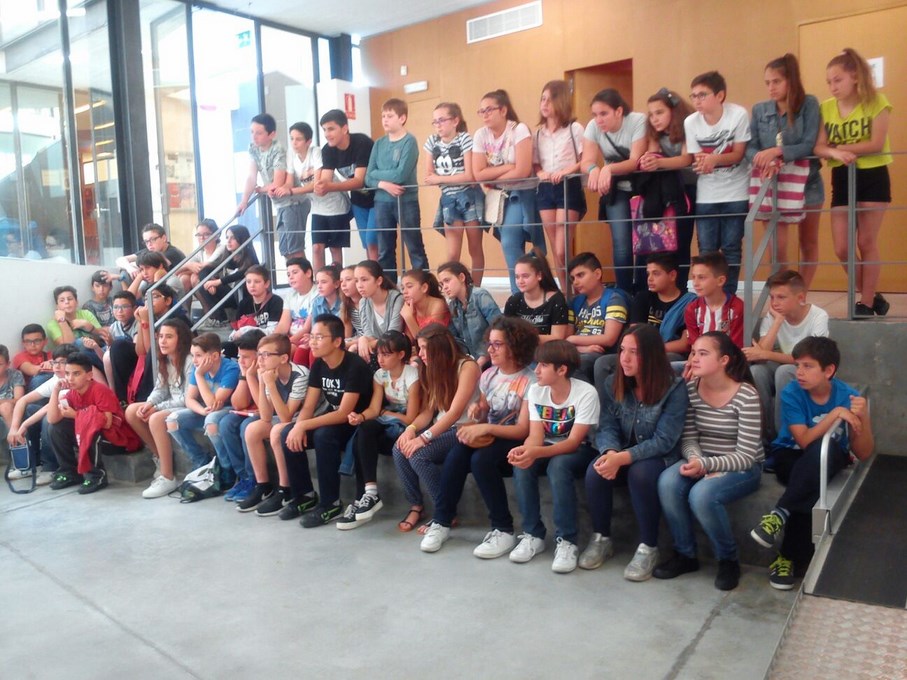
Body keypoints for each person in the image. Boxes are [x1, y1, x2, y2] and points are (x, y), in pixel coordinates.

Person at [749, 337, 873, 589]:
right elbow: (804, 440)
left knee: (823, 458)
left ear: (829, 370)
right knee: (811, 487)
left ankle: (779, 518)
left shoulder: (847, 396)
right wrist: (835, 414)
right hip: (790, 454)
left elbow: (864, 453)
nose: (799, 372)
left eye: (807, 366)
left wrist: (864, 418)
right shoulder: (792, 392)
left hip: (830, 457)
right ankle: (788, 557)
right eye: (797, 365)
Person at [419, 317, 538, 555]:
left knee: (481, 460)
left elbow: (522, 430)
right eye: (489, 344)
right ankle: (441, 521)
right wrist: (479, 410)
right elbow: (484, 411)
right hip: (491, 435)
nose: (490, 350)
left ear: (515, 346)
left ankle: (503, 529)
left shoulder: (530, 380)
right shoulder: (489, 375)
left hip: (513, 438)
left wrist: (484, 428)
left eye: (497, 344)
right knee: (456, 455)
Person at [655, 331, 763, 591]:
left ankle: (728, 559)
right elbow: (689, 437)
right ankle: (685, 554)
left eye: (703, 353)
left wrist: (706, 466)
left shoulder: (746, 395)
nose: (694, 358)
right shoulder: (690, 390)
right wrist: (696, 459)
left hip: (742, 466)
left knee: (702, 495)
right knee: (667, 482)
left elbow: (747, 455)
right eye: (693, 352)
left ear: (724, 360)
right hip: (702, 458)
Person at [582, 325, 688, 580]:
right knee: (596, 471)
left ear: (651, 355)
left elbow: (664, 440)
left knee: (640, 473)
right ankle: (601, 538)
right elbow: (606, 426)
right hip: (622, 451)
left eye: (634, 352)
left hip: (659, 456)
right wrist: (610, 452)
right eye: (622, 350)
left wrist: (621, 458)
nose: (625, 358)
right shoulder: (613, 382)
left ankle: (648, 547)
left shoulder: (674, 388)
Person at [508, 340, 600, 574]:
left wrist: (536, 452)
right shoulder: (536, 390)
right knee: (523, 465)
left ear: (562, 370)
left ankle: (567, 540)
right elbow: (535, 436)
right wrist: (525, 451)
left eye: (543, 365)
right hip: (547, 445)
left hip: (583, 449)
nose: (536, 370)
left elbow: (573, 442)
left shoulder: (585, 393)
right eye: (537, 364)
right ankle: (532, 534)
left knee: (558, 466)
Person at [814, 47, 893, 317]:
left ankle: (866, 302)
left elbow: (876, 143)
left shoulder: (876, 101)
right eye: (829, 82)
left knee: (866, 241)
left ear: (855, 77)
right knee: (841, 247)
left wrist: (840, 149)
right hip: (842, 175)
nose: (833, 87)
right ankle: (873, 294)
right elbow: (819, 146)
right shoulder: (826, 107)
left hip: (872, 174)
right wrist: (835, 153)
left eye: (838, 80)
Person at [277, 314, 374, 528]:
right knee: (287, 433)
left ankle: (331, 503)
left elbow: (344, 413)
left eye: (319, 337)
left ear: (337, 341)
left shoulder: (354, 366)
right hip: (334, 419)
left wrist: (303, 425)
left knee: (323, 435)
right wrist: (298, 427)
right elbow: (309, 406)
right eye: (312, 336)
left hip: (357, 422)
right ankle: (304, 495)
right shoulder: (320, 365)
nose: (313, 342)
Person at [392, 324, 480, 533]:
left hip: (464, 428)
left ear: (439, 346)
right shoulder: (432, 367)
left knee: (418, 455)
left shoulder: (467, 366)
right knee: (399, 448)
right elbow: (428, 411)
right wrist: (411, 429)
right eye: (419, 348)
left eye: (424, 348)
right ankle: (416, 505)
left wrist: (423, 438)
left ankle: (445, 513)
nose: (420, 354)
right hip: (442, 427)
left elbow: (454, 413)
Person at [746, 54, 823, 288]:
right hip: (773, 183)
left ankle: (801, 293)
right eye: (767, 82)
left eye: (776, 81)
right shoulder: (760, 109)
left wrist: (777, 152)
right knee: (777, 247)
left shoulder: (809, 103)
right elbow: (750, 147)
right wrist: (763, 160)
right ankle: (782, 294)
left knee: (808, 242)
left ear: (791, 80)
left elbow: (809, 144)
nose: (771, 87)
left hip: (808, 182)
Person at [340, 331, 421, 530]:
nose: (380, 359)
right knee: (363, 428)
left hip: (408, 427)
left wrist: (386, 413)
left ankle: (363, 497)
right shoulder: (380, 375)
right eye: (378, 354)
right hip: (390, 421)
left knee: (364, 437)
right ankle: (369, 492)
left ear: (401, 355)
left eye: (386, 354)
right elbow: (374, 409)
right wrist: (360, 416)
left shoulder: (412, 375)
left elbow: (410, 418)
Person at [684, 71, 752, 295]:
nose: (697, 100)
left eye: (702, 95)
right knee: (706, 250)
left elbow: (739, 154)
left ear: (720, 95)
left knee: (731, 248)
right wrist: (705, 162)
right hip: (707, 194)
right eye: (694, 96)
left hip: (736, 191)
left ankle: (728, 297)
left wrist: (714, 159)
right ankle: (708, 298)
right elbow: (697, 158)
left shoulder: (737, 115)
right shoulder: (691, 122)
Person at [743, 270, 829, 443]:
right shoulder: (774, 316)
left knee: (784, 371)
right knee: (757, 371)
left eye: (781, 297)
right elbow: (760, 357)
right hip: (782, 366)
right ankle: (763, 436)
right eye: (772, 297)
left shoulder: (818, 316)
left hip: (810, 371)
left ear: (800, 297)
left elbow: (809, 360)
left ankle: (784, 436)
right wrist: (777, 322)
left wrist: (766, 354)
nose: (775, 303)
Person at [473, 89, 543, 293]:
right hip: (499, 197)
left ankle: (524, 294)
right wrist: (507, 168)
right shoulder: (481, 134)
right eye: (481, 111)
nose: (485, 114)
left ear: (503, 110)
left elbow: (523, 171)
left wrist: (492, 176)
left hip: (523, 194)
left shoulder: (519, 130)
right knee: (511, 247)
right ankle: (519, 296)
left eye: (489, 109)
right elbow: (478, 174)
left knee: (512, 243)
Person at [236, 333, 312, 517]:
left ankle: (285, 490)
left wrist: (269, 384)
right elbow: (266, 416)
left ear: (284, 358)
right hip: (288, 418)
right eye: (259, 354)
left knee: (278, 431)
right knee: (252, 429)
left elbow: (286, 417)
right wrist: (262, 382)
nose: (260, 360)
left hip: (307, 419)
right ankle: (263, 485)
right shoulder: (270, 374)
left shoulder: (300, 375)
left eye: (266, 355)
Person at [581, 88, 647, 291]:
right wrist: (593, 169)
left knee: (644, 242)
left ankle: (643, 292)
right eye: (595, 114)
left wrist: (608, 168)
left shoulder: (637, 121)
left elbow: (635, 160)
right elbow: (587, 160)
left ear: (619, 111)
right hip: (616, 189)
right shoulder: (593, 126)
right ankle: (624, 293)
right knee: (622, 244)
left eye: (604, 113)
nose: (598, 119)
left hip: (642, 186)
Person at [46, 352, 140, 493]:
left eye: (76, 374)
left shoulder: (100, 390)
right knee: (56, 428)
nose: (70, 378)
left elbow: (107, 423)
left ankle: (97, 476)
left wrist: (75, 415)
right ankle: (69, 472)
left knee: (90, 430)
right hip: (95, 437)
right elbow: (52, 419)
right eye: (67, 373)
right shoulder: (72, 393)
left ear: (89, 375)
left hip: (117, 440)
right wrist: (55, 390)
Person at [124, 318, 193, 499]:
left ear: (181, 339)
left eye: (169, 337)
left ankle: (168, 477)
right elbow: (160, 389)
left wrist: (157, 408)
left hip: (190, 406)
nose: (162, 341)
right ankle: (160, 458)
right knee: (131, 411)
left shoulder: (190, 361)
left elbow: (187, 399)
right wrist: (149, 404)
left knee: (155, 418)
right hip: (172, 404)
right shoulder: (165, 359)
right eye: (161, 336)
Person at [639, 88, 696, 291]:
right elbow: (653, 153)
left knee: (682, 241)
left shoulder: (687, 127)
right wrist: (647, 160)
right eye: (651, 114)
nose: (654, 118)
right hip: (667, 192)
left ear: (673, 111)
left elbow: (686, 159)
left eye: (660, 112)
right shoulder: (655, 132)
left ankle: (681, 287)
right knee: (664, 241)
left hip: (689, 189)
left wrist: (659, 162)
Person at [366, 98, 427, 282]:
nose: (385, 119)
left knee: (414, 246)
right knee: (385, 249)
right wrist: (383, 184)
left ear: (402, 118)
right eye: (383, 116)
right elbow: (368, 177)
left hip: (406, 201)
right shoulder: (379, 143)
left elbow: (401, 174)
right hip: (381, 201)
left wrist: (377, 175)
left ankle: (423, 286)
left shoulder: (409, 141)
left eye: (390, 116)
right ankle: (389, 288)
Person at [424, 102, 485, 284]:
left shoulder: (464, 139)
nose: (438, 125)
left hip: (469, 197)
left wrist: (440, 178)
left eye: (442, 120)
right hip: (448, 200)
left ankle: (475, 289)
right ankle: (455, 289)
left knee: (475, 248)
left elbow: (469, 176)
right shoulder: (432, 142)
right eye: (435, 121)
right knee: (452, 254)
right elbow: (429, 176)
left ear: (455, 121)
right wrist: (446, 179)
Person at [534, 80, 587, 290]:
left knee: (562, 248)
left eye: (550, 99)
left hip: (568, 185)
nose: (545, 104)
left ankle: (575, 289)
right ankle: (566, 292)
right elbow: (536, 163)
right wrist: (541, 172)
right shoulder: (538, 133)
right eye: (543, 99)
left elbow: (585, 159)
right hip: (546, 188)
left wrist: (566, 171)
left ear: (561, 101)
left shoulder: (575, 128)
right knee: (555, 248)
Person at [165, 333, 240, 471]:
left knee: (211, 423)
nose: (194, 360)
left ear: (215, 356)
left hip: (227, 410)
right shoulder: (197, 368)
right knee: (173, 420)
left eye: (198, 355)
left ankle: (226, 468)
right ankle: (201, 461)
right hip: (207, 410)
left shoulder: (231, 369)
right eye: (192, 355)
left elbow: (214, 404)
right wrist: (202, 411)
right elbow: (189, 399)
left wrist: (199, 376)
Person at [5, 344, 77, 484]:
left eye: (63, 362)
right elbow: (22, 400)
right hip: (57, 416)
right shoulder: (56, 379)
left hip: (73, 422)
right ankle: (30, 463)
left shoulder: (73, 382)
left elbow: (48, 409)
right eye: (55, 362)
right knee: (29, 408)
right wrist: (13, 429)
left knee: (47, 418)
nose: (57, 366)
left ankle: (50, 467)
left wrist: (23, 426)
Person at [315, 109, 377, 265]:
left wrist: (328, 186)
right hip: (358, 200)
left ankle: (380, 277)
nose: (327, 134)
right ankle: (373, 275)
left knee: (373, 241)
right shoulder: (328, 149)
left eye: (331, 129)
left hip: (378, 198)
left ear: (344, 129)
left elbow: (359, 181)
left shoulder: (362, 142)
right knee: (367, 243)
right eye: (324, 130)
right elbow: (326, 179)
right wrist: (320, 185)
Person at [211, 329, 266, 505]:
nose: (241, 361)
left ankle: (254, 478)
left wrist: (251, 375)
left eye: (246, 357)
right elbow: (238, 404)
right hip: (252, 411)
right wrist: (244, 375)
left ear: (260, 356)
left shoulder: (267, 370)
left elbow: (264, 407)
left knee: (246, 427)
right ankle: (243, 477)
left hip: (268, 414)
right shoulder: (244, 369)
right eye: (239, 356)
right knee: (226, 423)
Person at [235, 113, 298, 261]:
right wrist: (244, 201)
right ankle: (293, 274)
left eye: (259, 133)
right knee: (285, 250)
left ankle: (303, 275)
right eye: (252, 132)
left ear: (272, 134)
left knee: (294, 250)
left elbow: (277, 183)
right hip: (279, 203)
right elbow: (251, 177)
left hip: (293, 202)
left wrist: (260, 189)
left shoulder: (278, 150)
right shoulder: (253, 148)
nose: (254, 136)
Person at [564, 251, 628, 383]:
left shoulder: (614, 299)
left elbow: (609, 339)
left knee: (579, 363)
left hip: (604, 353)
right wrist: (581, 348)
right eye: (573, 278)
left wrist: (573, 339)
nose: (575, 282)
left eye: (580, 275)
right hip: (578, 350)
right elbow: (565, 339)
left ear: (597, 274)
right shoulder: (573, 302)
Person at [437, 261, 502, 370]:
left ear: (461, 277)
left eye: (447, 281)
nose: (444, 288)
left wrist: (482, 358)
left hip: (493, 358)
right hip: (472, 360)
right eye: (441, 284)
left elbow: (499, 327)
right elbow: (455, 338)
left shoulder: (480, 296)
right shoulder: (453, 305)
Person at [503, 249, 572, 345]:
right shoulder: (513, 301)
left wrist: (523, 338)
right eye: (517, 277)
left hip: (548, 350)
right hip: (520, 351)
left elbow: (558, 337)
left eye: (525, 276)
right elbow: (505, 332)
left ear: (539, 275)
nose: (520, 281)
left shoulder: (556, 300)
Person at [198, 225, 260, 328]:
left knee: (238, 282)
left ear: (242, 239)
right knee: (204, 283)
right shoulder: (227, 256)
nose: (229, 241)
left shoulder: (250, 257)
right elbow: (207, 269)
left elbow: (243, 273)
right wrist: (209, 282)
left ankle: (222, 319)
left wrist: (218, 282)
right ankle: (221, 318)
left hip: (241, 296)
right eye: (227, 237)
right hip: (228, 294)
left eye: (233, 238)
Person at [45, 285, 106, 383]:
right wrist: (62, 321)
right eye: (62, 300)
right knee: (79, 343)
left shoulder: (85, 314)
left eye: (70, 299)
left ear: (76, 302)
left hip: (97, 351)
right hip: (75, 360)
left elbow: (102, 336)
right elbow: (68, 347)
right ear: (57, 306)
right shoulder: (52, 324)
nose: (67, 302)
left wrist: (88, 326)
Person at [684, 252, 744, 349]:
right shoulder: (692, 309)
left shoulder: (737, 308)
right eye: (693, 277)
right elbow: (694, 346)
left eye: (701, 277)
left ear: (720, 281)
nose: (695, 283)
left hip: (729, 357)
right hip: (700, 356)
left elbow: (736, 349)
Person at [278, 121, 319, 262]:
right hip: (311, 201)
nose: (294, 143)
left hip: (308, 201)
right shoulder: (291, 154)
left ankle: (308, 274)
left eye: (298, 139)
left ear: (308, 141)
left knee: (297, 249)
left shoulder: (315, 152)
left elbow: (316, 183)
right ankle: (295, 273)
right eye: (292, 138)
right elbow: (289, 182)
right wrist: (280, 188)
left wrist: (290, 191)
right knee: (286, 250)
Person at [293, 264, 348, 366]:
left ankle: (318, 375)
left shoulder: (344, 303)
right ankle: (302, 376)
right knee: (301, 349)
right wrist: (311, 337)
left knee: (315, 352)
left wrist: (316, 339)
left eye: (324, 282)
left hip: (337, 340)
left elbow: (344, 333)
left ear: (336, 284)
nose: (319, 286)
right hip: (320, 338)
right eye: (317, 282)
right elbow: (315, 328)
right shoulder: (316, 303)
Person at [354, 260, 404, 365]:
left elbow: (392, 336)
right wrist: (363, 339)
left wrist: (365, 343)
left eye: (364, 280)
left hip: (396, 353)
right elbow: (368, 334)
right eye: (356, 281)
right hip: (378, 353)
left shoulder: (397, 299)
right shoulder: (363, 302)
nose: (359, 285)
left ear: (379, 281)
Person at [110, 223, 186, 283]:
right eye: (146, 241)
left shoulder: (172, 253)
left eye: (152, 239)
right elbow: (120, 260)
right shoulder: (151, 251)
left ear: (164, 238)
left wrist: (133, 266)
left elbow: (150, 265)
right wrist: (130, 268)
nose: (149, 244)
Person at [175, 219, 224, 304]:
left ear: (216, 236)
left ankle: (209, 310)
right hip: (207, 285)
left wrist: (189, 267)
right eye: (199, 235)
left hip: (221, 285)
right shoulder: (200, 252)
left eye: (206, 234)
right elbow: (176, 272)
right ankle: (186, 311)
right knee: (184, 278)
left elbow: (204, 266)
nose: (202, 238)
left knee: (194, 276)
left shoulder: (221, 248)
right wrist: (188, 266)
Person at [399, 268, 450, 340]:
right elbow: (409, 340)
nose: (404, 292)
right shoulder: (410, 307)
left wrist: (409, 317)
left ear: (424, 288)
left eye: (409, 286)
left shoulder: (438, 305)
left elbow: (427, 341)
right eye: (402, 288)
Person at [13, 324, 54, 391]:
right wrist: (53, 364)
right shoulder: (20, 357)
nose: (33, 345)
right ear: (23, 343)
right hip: (31, 392)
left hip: (51, 389)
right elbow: (32, 370)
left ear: (45, 341)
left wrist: (53, 363)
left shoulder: (50, 355)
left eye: (37, 341)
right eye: (28, 341)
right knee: (39, 379)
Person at [0, 344, 25, 434]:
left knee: (5, 407)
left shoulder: (15, 375)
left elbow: (19, 400)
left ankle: (17, 439)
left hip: (10, 410)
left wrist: (2, 402)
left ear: (8, 364)